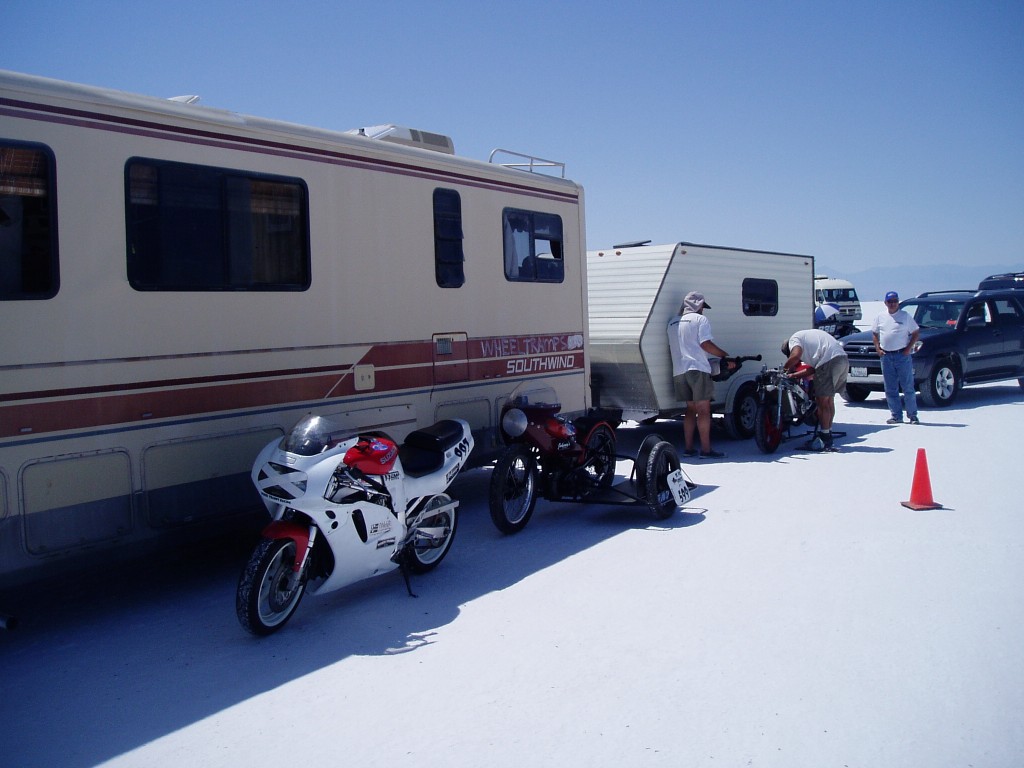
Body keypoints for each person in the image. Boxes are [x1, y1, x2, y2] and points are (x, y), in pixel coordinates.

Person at [667, 291, 733, 459]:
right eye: (703, 306)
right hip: (697, 369)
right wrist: (723, 354)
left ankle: (689, 448)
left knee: (690, 409)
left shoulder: (673, 322)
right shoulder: (700, 320)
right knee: (703, 410)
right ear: (699, 306)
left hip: (679, 370)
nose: (703, 310)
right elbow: (705, 344)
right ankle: (706, 450)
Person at [781, 328, 849, 451]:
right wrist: (793, 375)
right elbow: (812, 370)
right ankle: (827, 433)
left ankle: (824, 439)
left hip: (829, 361)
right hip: (842, 360)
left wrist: (784, 371)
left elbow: (795, 356)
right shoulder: (809, 342)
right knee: (829, 401)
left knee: (822, 403)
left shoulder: (794, 340)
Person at [873, 291, 920, 424]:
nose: (893, 304)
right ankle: (896, 415)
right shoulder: (880, 317)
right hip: (886, 356)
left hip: (902, 355)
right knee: (890, 388)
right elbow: (874, 333)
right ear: (885, 303)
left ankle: (912, 415)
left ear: (898, 302)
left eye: (895, 301)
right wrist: (878, 348)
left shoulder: (905, 316)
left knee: (908, 387)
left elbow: (916, 332)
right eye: (890, 301)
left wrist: (908, 348)